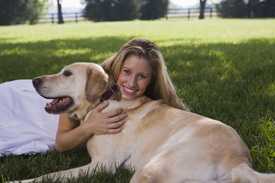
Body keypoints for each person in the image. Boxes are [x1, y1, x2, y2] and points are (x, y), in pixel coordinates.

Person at [0, 38, 187, 156]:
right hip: (33, 100)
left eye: (142, 77)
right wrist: (89, 127)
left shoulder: (151, 99)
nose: (131, 83)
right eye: (126, 72)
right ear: (117, 66)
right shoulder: (88, 83)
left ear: (152, 80)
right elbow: (61, 143)